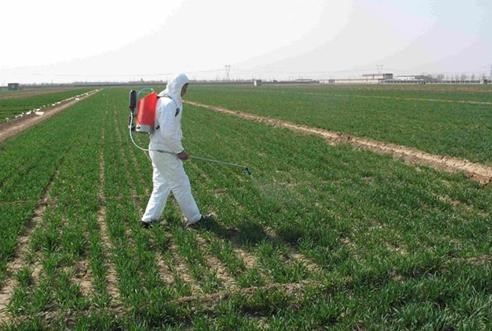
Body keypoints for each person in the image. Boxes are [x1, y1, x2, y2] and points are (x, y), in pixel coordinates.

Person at [141, 73, 207, 228]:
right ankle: (195, 219)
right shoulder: (168, 104)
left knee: (161, 185)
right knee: (181, 184)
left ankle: (148, 219)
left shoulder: (161, 101)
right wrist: (179, 151)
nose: (186, 91)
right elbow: (168, 132)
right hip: (166, 151)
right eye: (185, 87)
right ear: (178, 87)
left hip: (158, 150)